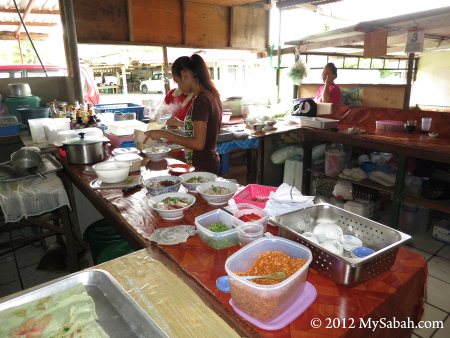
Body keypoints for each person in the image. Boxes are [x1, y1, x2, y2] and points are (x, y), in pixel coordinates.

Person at [144, 54, 222, 174]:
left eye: (177, 81)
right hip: (206, 163)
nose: (178, 86)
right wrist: (181, 123)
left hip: (202, 166)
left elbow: (198, 143)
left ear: (185, 75)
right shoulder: (212, 95)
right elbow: (204, 129)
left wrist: (163, 133)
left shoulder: (201, 100)